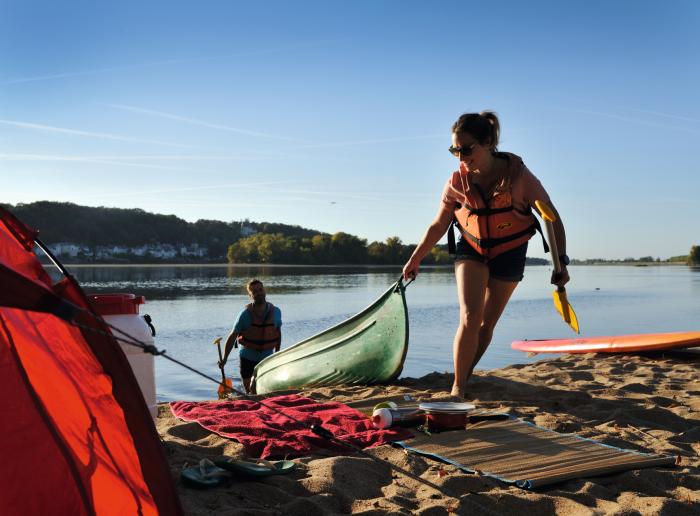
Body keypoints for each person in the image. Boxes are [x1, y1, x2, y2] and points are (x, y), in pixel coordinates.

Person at [402, 111, 569, 398]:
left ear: (488, 142)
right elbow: (439, 224)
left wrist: (560, 263)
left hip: (510, 250)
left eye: (467, 149)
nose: (460, 157)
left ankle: (464, 375)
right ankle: (459, 387)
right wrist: (415, 258)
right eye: (455, 149)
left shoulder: (520, 177)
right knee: (469, 316)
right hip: (473, 247)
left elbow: (551, 218)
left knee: (486, 324)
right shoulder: (456, 182)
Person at [219, 279, 282, 393]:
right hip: (247, 358)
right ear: (250, 295)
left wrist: (277, 354)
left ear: (264, 290)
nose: (258, 293)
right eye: (254, 291)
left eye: (260, 289)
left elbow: (277, 333)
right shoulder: (244, 315)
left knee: (258, 388)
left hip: (267, 358)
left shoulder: (276, 312)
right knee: (249, 391)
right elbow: (233, 336)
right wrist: (224, 359)